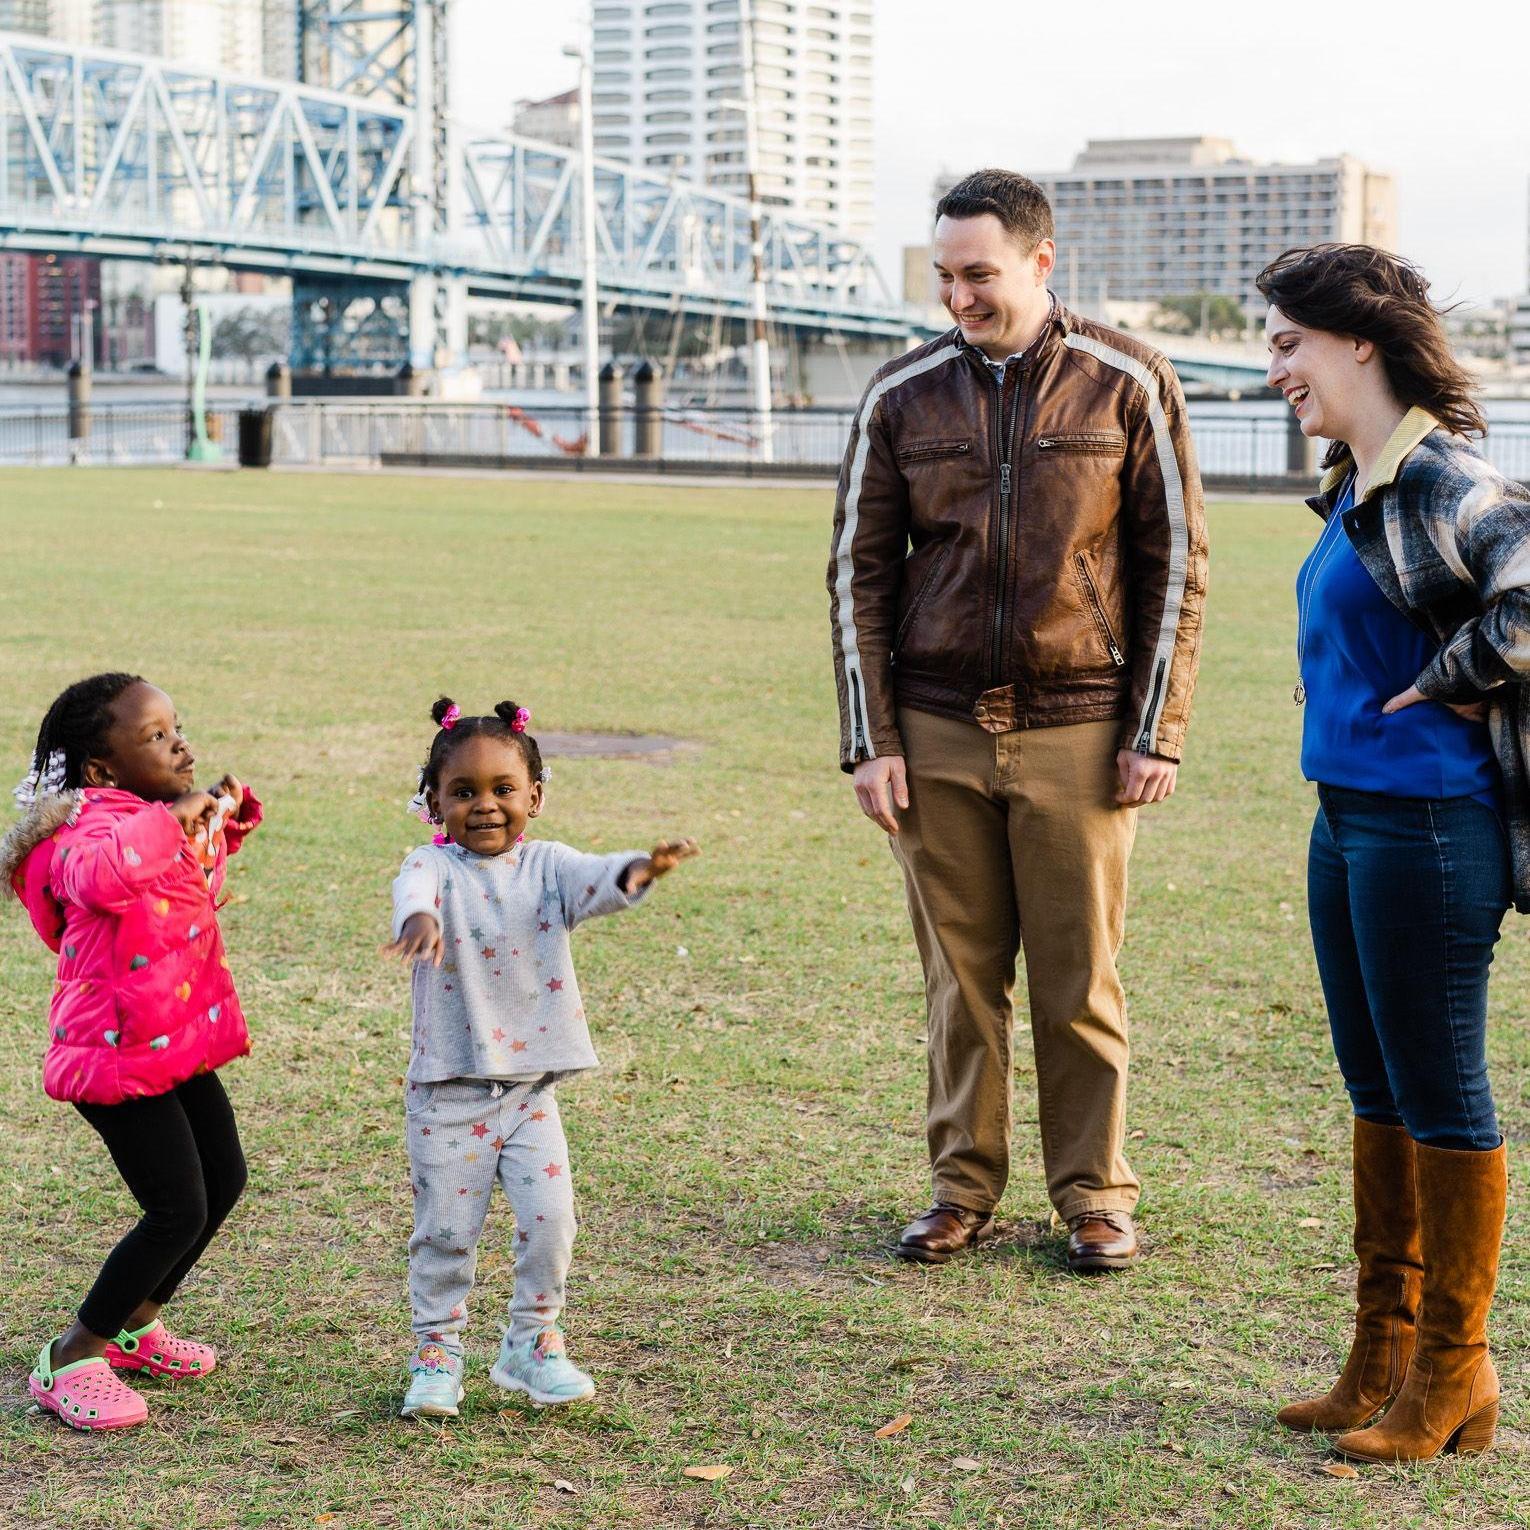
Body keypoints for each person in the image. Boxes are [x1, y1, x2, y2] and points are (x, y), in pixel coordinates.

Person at [826, 169, 1207, 1273]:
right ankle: (960, 1189)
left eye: (979, 275)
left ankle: (1095, 1195)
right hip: (934, 725)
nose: (958, 298)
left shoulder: (1128, 381)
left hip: (1081, 726)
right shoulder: (900, 395)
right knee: (959, 977)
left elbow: (1175, 565)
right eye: (944, 276)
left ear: (1043, 262)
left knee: (1079, 975)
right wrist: (872, 739)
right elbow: (858, 571)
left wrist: (1159, 728)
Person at [1262, 244, 1528, 1463]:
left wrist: (1453, 679)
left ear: (1355, 341)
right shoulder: (1358, 480)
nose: (1275, 371)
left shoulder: (1439, 477)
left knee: (1442, 1091)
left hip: (1427, 826)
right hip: (1347, 818)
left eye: (1287, 344)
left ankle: (1455, 1375)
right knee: (1377, 1092)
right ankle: (1383, 1349)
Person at [383, 697, 698, 1418]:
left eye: (502, 790)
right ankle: (437, 1352)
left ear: (536, 797)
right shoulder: (431, 867)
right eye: (463, 792)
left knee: (552, 1219)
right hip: (447, 1095)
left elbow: (597, 879)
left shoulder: (550, 868)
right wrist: (420, 919)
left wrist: (639, 870)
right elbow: (414, 889)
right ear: (432, 804)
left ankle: (531, 1343)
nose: (485, 806)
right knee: (445, 1232)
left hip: (530, 1093)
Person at [2, 672, 262, 1431]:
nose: (178, 742)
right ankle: (72, 1354)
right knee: (177, 1206)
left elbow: (175, 897)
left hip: (167, 1042)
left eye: (175, 726)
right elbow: (98, 877)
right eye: (154, 736)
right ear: (99, 770)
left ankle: (135, 1326)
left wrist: (218, 830)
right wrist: (169, 823)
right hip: (113, 1054)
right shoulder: (86, 830)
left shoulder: (144, 818)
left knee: (224, 1178)